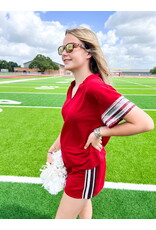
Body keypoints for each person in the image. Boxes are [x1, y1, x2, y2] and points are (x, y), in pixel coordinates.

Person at [47, 27, 154, 219]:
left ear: (89, 52)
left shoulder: (95, 87)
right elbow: (71, 126)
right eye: (62, 48)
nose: (64, 53)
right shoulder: (74, 87)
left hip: (85, 166)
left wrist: (100, 132)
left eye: (70, 47)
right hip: (71, 162)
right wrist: (53, 149)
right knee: (83, 204)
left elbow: (145, 123)